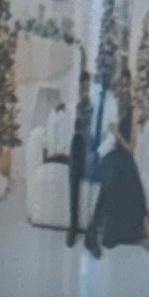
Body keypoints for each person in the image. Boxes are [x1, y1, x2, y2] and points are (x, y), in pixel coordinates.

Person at [82, 70, 149, 263]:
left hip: (124, 154)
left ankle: (142, 231)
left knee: (130, 177)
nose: (122, 88)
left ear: (129, 87)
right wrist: (98, 152)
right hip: (108, 155)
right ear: (116, 85)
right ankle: (96, 234)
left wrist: (117, 135)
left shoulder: (133, 112)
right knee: (111, 179)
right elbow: (100, 136)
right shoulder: (110, 106)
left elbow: (131, 148)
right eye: (120, 84)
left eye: (126, 85)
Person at [66, 58, 92, 248]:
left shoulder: (93, 104)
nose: (85, 89)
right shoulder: (76, 104)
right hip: (78, 148)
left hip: (91, 149)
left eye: (87, 86)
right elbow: (76, 129)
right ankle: (73, 226)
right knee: (73, 174)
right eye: (82, 86)